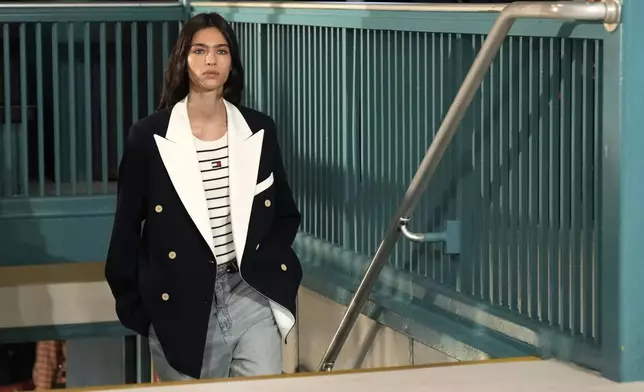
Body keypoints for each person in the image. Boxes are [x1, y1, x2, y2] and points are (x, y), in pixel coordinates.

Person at [104, 12, 302, 382]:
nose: (211, 60)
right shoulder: (148, 137)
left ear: (232, 62)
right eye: (200, 50)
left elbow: (285, 214)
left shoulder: (259, 128)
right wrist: (144, 315)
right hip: (180, 303)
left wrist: (271, 269)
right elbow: (126, 232)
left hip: (249, 295)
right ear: (183, 59)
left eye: (221, 51)